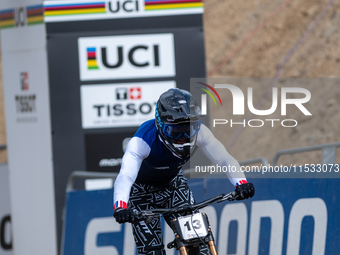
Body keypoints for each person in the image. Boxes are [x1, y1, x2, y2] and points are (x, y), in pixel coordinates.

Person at [113, 88, 255, 255]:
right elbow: (126, 176)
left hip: (173, 185)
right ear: (160, 126)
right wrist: (120, 206)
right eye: (176, 130)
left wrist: (241, 183)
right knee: (153, 252)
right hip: (140, 193)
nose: (183, 137)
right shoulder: (142, 141)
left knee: (199, 242)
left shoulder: (202, 133)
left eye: (188, 129)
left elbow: (224, 159)